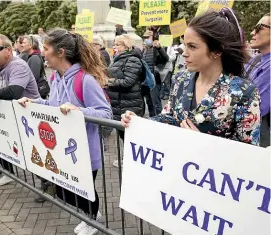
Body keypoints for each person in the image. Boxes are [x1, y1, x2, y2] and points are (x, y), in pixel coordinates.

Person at [18, 28, 112, 235]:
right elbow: (54, 105)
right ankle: (92, 217)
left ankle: (91, 221)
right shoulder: (57, 78)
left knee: (83, 192)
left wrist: (78, 111)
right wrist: (33, 103)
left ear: (60, 52)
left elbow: (106, 113)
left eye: (46, 48)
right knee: (64, 191)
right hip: (63, 150)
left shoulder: (85, 80)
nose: (42, 53)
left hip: (85, 151)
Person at [122, 8, 261, 147]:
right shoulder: (181, 79)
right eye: (185, 46)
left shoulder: (244, 92)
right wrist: (139, 123)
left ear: (217, 50)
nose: (184, 53)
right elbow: (170, 116)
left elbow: (248, 153)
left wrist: (204, 144)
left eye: (192, 47)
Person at [0, 34, 40, 186]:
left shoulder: (18, 65)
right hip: (8, 115)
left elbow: (14, 92)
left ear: (9, 50)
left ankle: (46, 185)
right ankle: (8, 173)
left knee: (34, 151)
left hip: (29, 116)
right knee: (1, 141)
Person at [106, 34, 144, 167]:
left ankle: (133, 162)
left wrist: (108, 82)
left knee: (130, 137)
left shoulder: (133, 60)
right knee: (124, 136)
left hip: (129, 104)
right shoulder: (119, 58)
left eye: (117, 44)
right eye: (114, 44)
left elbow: (128, 82)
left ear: (126, 46)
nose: (114, 47)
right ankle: (129, 160)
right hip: (120, 104)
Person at [245, 13, 270, 147]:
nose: (252, 32)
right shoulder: (255, 59)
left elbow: (255, 106)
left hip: (258, 136)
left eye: (259, 27)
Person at [142, 30, 169, 115]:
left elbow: (165, 58)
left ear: (154, 38)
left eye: (148, 37)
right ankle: (152, 118)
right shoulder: (145, 50)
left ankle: (159, 120)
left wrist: (159, 48)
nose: (146, 39)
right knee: (149, 102)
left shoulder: (156, 49)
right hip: (146, 80)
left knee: (156, 103)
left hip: (154, 80)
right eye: (145, 38)